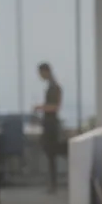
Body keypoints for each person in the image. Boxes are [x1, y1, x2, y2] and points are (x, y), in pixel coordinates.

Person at [34, 63, 63, 191]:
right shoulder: (51, 86)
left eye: (40, 73)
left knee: (52, 154)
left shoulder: (55, 87)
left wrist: (40, 107)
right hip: (48, 123)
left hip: (51, 124)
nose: (40, 76)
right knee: (49, 153)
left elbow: (55, 107)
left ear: (46, 72)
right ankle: (52, 183)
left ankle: (53, 184)